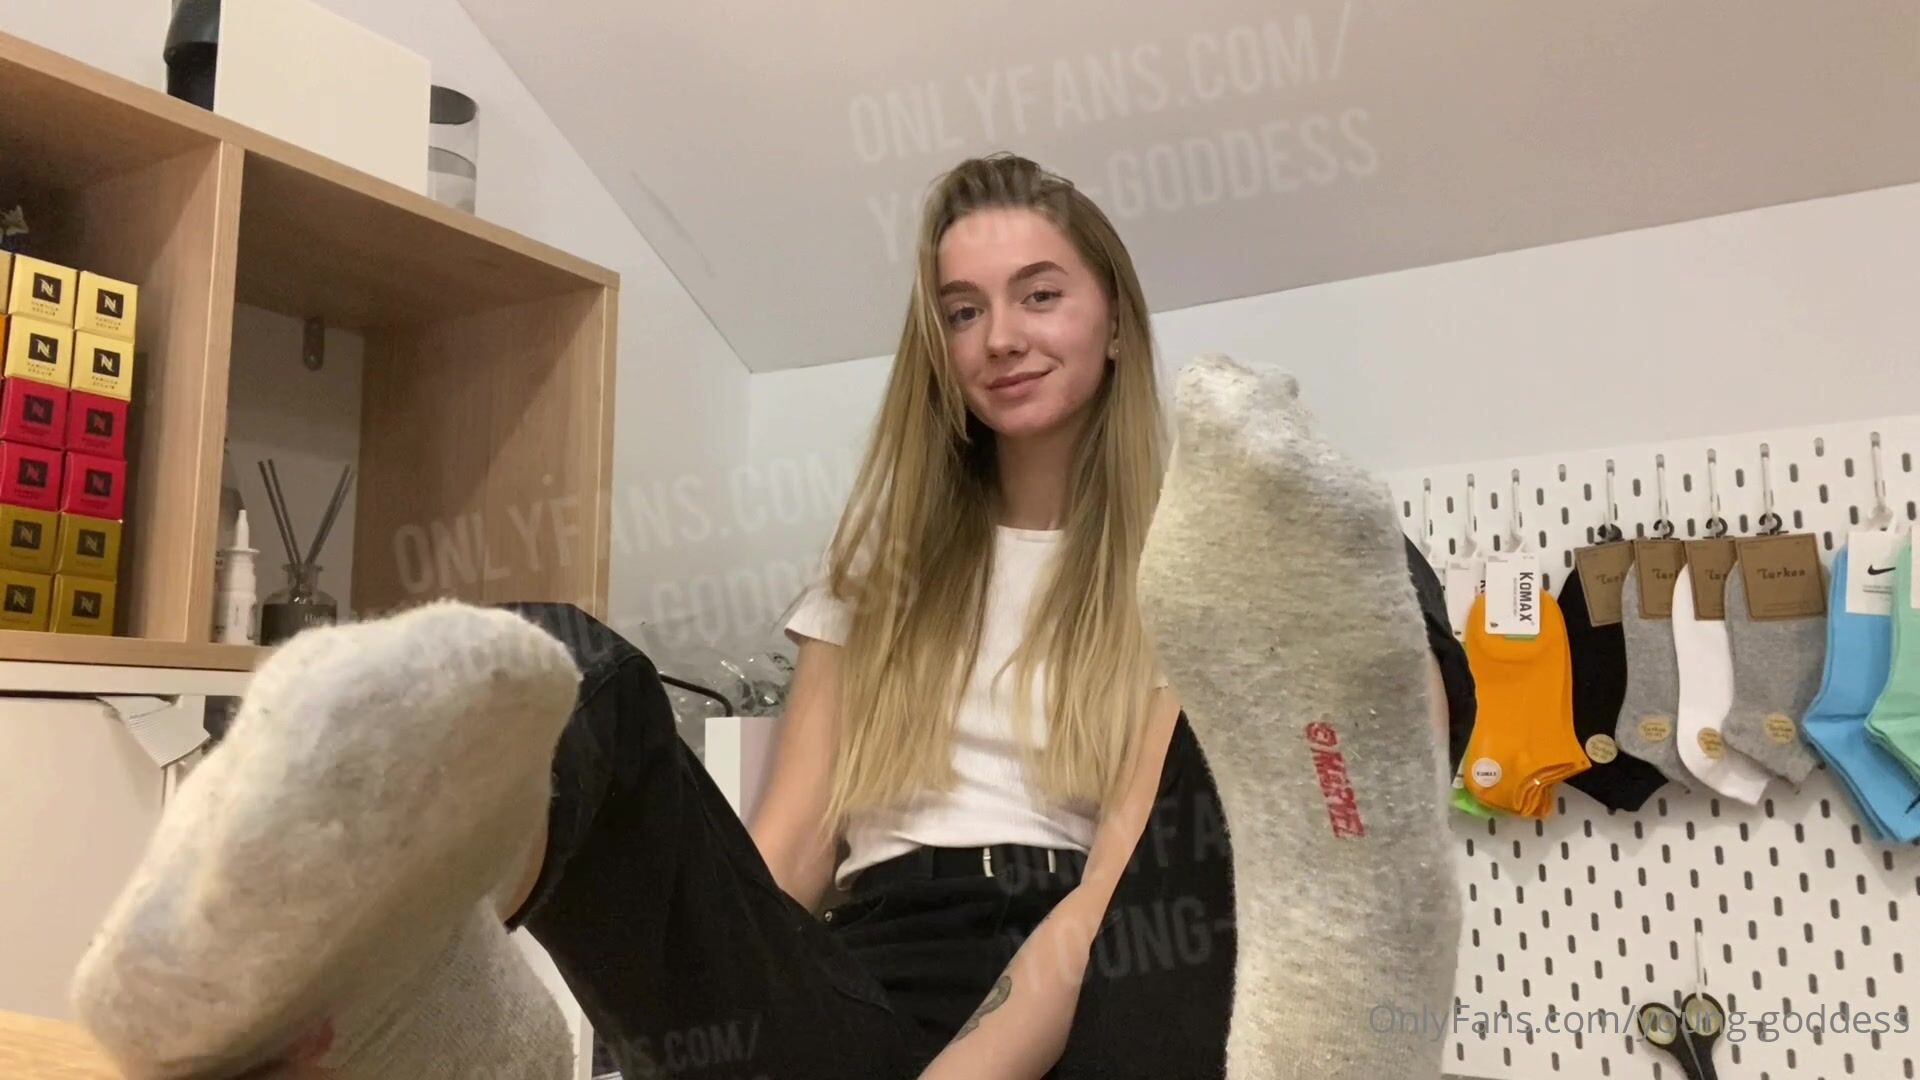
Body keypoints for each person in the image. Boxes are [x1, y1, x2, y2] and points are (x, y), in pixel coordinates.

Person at [69, 154, 1461, 1080]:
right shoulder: (876, 565)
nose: (1000, 337)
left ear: (1112, 319)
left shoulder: (1193, 561)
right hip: (864, 985)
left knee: (1348, 597)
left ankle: (1344, 960)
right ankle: (382, 946)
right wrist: (693, 998)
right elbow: (787, 846)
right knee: (577, 677)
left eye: (1040, 295)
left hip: (1099, 975)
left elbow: (1104, 896)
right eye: (962, 310)